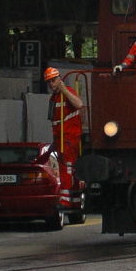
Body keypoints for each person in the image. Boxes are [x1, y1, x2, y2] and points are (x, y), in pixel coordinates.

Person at [45, 67, 84, 208]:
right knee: (66, 169)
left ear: (59, 79)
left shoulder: (67, 92)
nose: (51, 84)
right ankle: (74, 201)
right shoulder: (53, 98)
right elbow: (54, 121)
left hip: (69, 138)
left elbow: (79, 104)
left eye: (53, 80)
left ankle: (66, 201)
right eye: (49, 82)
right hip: (60, 139)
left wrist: (64, 90)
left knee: (67, 168)